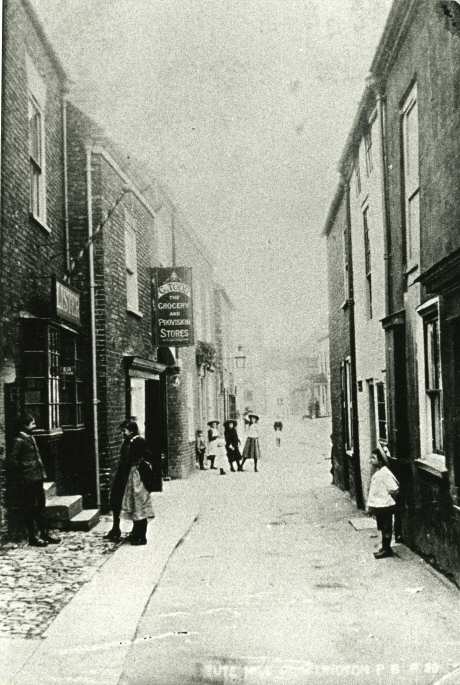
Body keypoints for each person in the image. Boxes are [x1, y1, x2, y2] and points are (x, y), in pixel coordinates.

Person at [8, 413, 61, 547]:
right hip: (28, 480)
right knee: (30, 508)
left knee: (41, 506)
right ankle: (33, 537)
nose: (35, 426)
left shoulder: (30, 437)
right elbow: (12, 461)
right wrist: (25, 471)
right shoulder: (19, 441)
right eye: (32, 424)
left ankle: (44, 533)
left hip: (37, 477)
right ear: (25, 426)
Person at [119, 420, 155, 545]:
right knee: (135, 505)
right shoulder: (131, 441)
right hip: (133, 475)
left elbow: (138, 457)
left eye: (124, 430)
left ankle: (141, 536)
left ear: (131, 430)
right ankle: (136, 532)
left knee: (140, 504)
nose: (123, 433)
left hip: (139, 476)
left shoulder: (138, 441)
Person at [367, 448, 399, 559]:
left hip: (385, 505)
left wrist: (387, 498)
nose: (370, 460)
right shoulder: (379, 472)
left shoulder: (385, 473)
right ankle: (385, 547)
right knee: (381, 526)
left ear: (380, 461)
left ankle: (387, 549)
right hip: (380, 506)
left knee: (386, 528)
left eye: (373, 458)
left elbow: (394, 488)